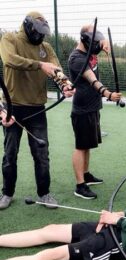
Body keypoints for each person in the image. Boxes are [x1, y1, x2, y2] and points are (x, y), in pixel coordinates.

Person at [0, 11, 75, 210]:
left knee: (41, 154)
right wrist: (40, 65)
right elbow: (9, 60)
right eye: (37, 31)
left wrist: (65, 84)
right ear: (28, 26)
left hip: (37, 108)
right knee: (10, 153)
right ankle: (7, 193)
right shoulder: (10, 39)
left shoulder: (45, 47)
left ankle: (44, 194)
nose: (40, 35)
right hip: (12, 106)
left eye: (43, 32)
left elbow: (56, 69)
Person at [68, 25, 122, 200]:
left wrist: (105, 45)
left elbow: (100, 44)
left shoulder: (89, 50)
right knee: (80, 146)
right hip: (82, 109)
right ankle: (80, 185)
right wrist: (108, 94)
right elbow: (92, 80)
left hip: (92, 107)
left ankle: (86, 174)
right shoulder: (77, 59)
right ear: (86, 40)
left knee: (88, 145)